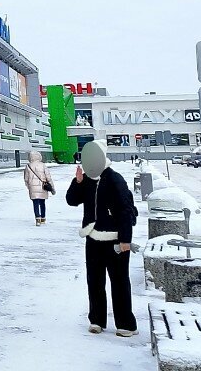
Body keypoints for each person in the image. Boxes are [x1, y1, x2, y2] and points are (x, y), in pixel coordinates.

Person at [66, 140, 138, 337]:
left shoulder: (115, 179)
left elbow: (126, 210)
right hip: (93, 239)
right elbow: (72, 200)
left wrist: (125, 239)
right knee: (94, 281)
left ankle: (126, 324)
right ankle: (97, 320)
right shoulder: (87, 179)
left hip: (115, 240)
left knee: (119, 282)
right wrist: (77, 183)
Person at [23, 150, 54, 226]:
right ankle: (43, 218)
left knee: (35, 203)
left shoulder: (28, 166)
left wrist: (29, 187)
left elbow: (26, 179)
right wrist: (52, 188)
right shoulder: (43, 165)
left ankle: (37, 219)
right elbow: (48, 177)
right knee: (42, 203)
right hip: (43, 187)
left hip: (33, 187)